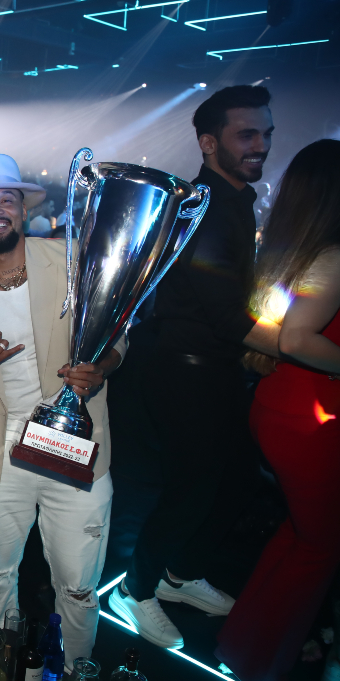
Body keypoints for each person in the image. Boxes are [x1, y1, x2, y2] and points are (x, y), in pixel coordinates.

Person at [0, 154, 127, 668]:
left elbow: (118, 336)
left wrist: (101, 367)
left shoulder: (70, 260)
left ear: (23, 209)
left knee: (78, 587)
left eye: (6, 199)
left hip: (75, 443)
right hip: (1, 455)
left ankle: (75, 671)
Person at [109, 85, 282, 649]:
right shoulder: (203, 208)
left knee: (236, 480)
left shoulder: (235, 200)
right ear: (209, 143)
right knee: (192, 489)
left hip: (217, 368)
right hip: (183, 371)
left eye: (266, 133)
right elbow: (226, 316)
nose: (261, 145)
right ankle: (134, 591)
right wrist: (302, 345)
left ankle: (178, 576)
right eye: (247, 134)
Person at [214, 139, 340, 679]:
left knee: (301, 535)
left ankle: (243, 647)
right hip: (310, 419)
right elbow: (296, 338)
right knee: (321, 549)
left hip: (286, 407)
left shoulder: (302, 250)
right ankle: (261, 662)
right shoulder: (333, 254)